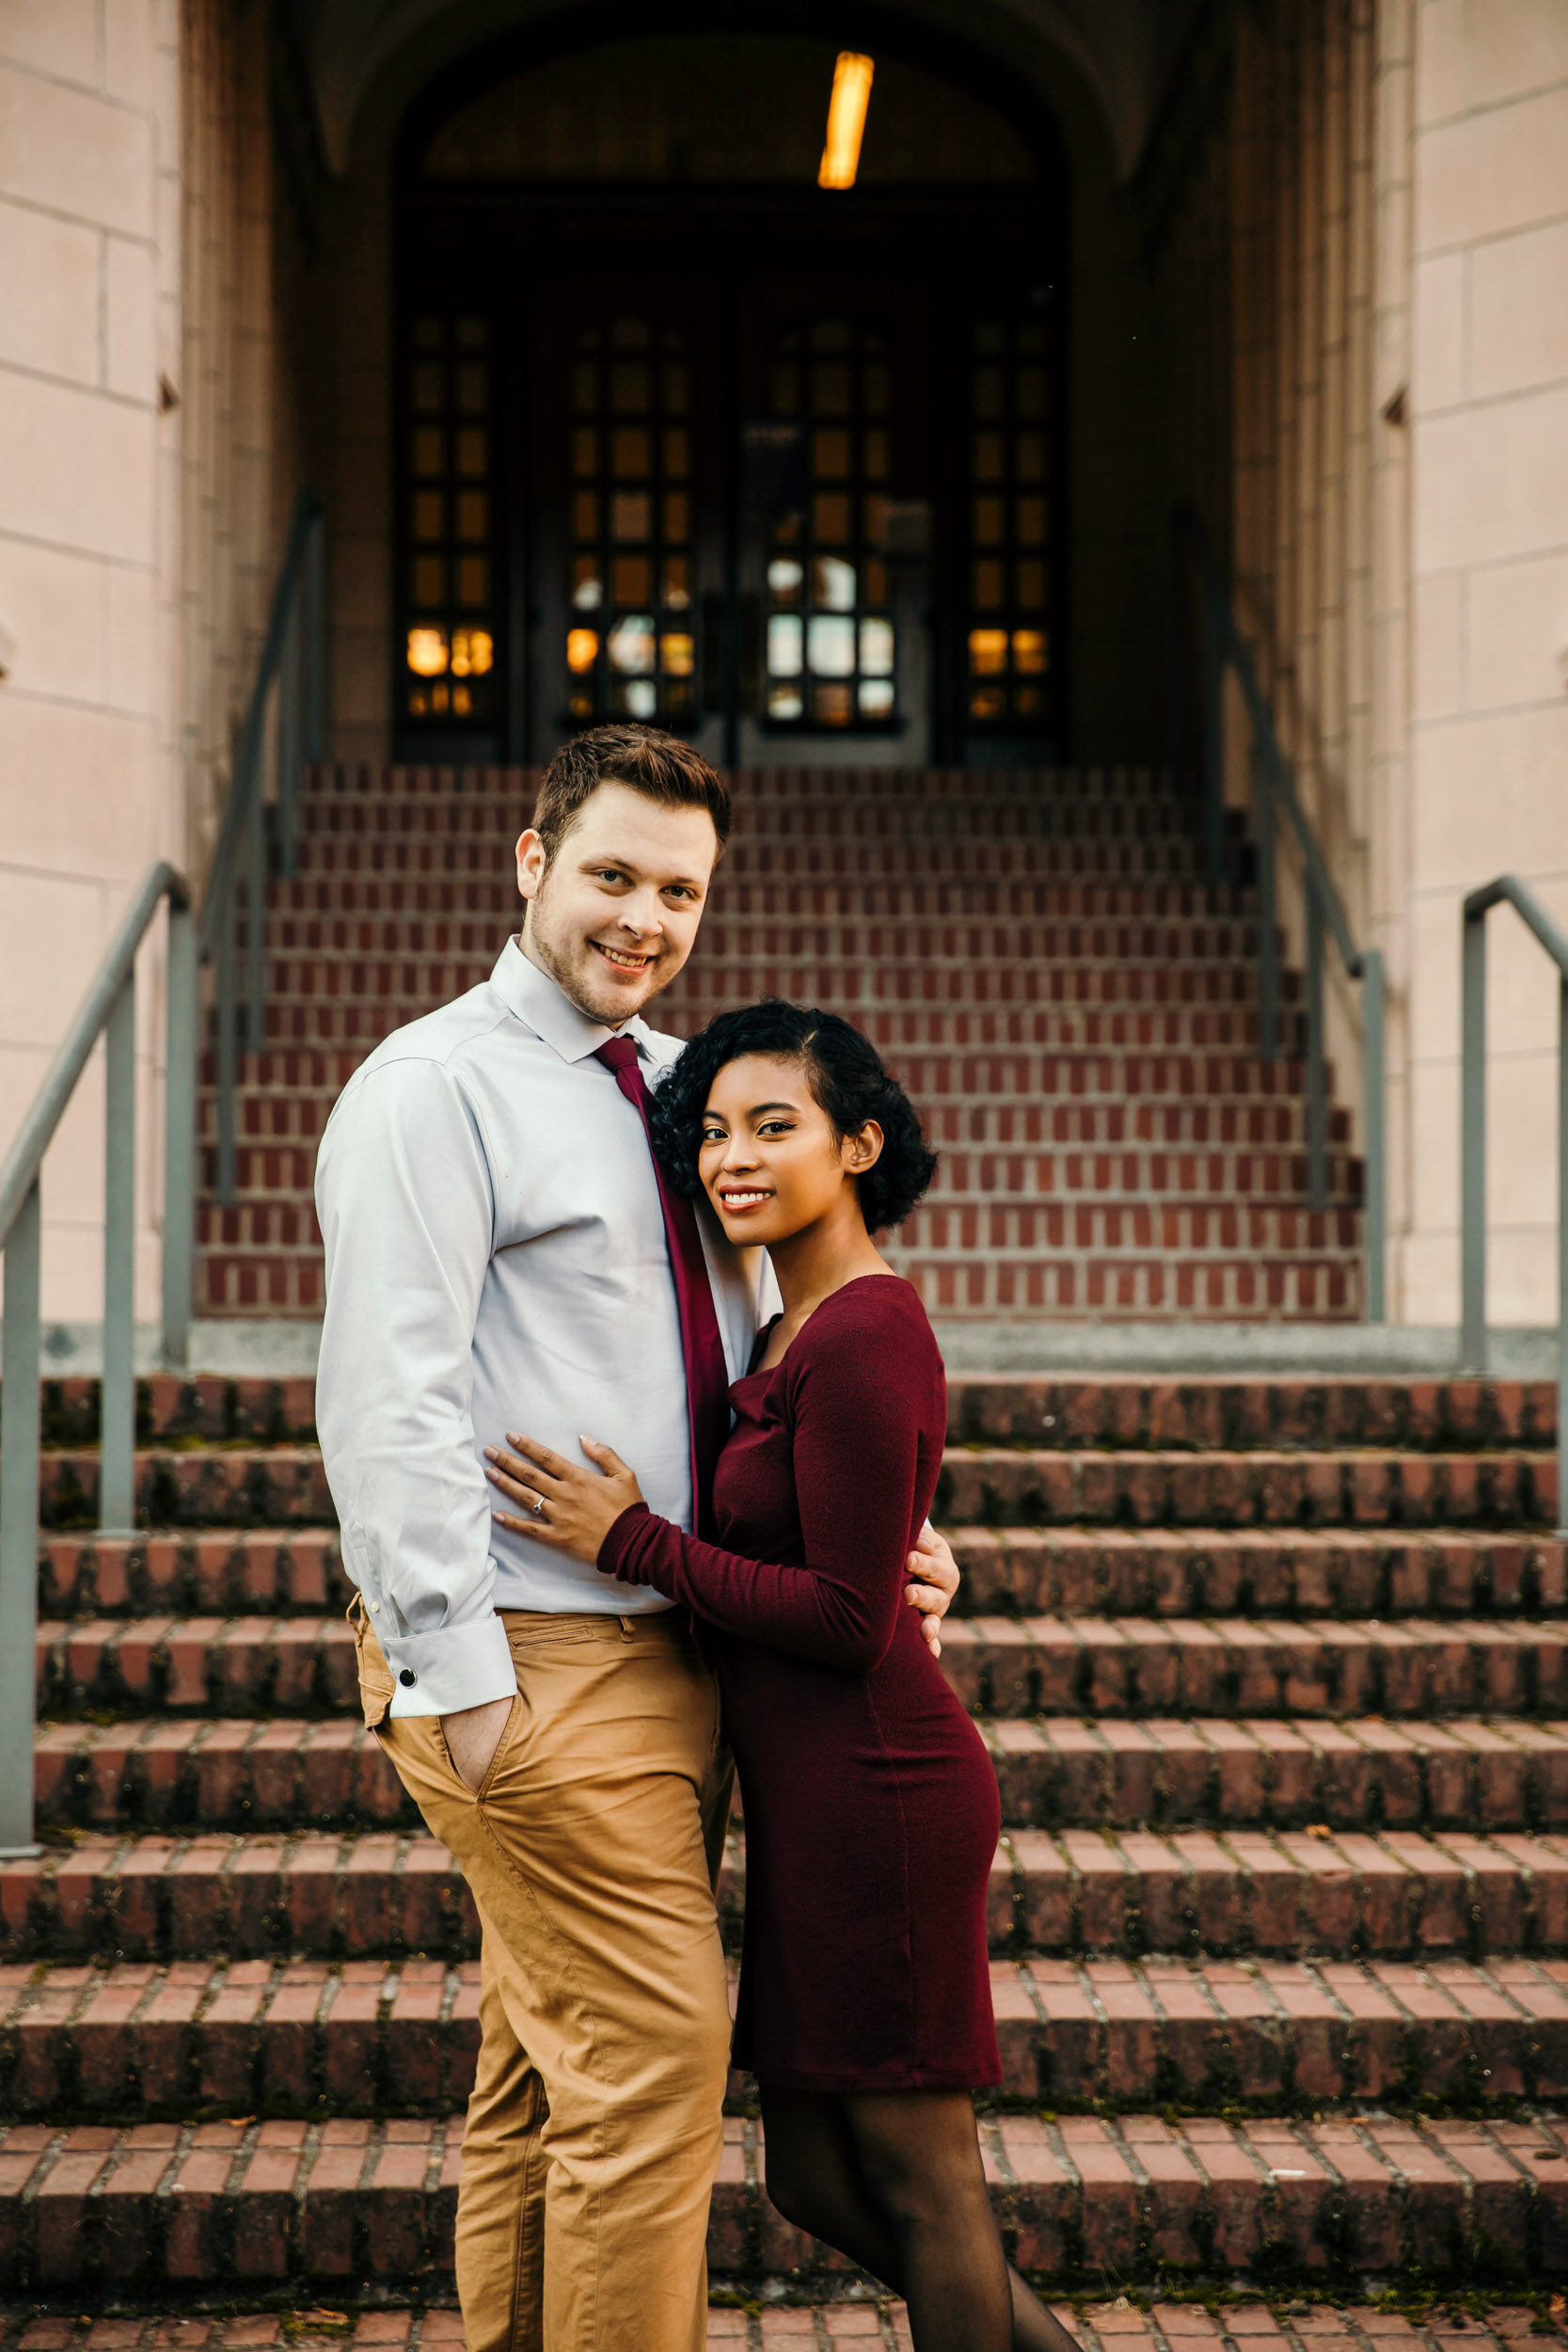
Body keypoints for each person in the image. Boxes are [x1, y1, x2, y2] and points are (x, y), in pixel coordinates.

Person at [313, 726, 959, 2352]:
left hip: (685, 1653)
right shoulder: (431, 1087)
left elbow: (765, 1372)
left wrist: (873, 1540)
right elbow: (387, 1404)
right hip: (532, 1656)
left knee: (550, 2076)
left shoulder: (690, 1092)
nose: (643, 917)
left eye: (678, 889)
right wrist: (458, 1683)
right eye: (611, 874)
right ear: (531, 863)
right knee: (662, 2053)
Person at [484, 1000, 1081, 2352]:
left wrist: (632, 1542)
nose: (731, 1157)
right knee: (812, 2179)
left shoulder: (866, 1330)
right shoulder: (784, 1323)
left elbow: (848, 1618)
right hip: (816, 1810)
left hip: (884, 1800)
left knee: (933, 2193)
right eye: (711, 1131)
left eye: (775, 1125)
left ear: (859, 1142)